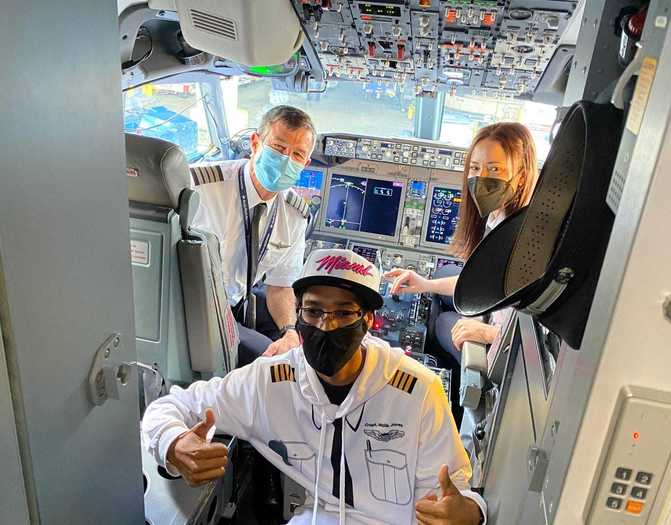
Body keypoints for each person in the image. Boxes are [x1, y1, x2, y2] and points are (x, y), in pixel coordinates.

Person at [142, 248, 487, 524]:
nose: (326, 324)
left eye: (343, 313)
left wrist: (470, 514)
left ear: (368, 320)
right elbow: (166, 408)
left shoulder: (418, 390)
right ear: (298, 314)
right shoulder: (271, 382)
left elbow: (457, 496)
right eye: (314, 311)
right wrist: (174, 443)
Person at [385, 123, 538, 364]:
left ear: (521, 176)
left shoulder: (529, 241)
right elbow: (483, 280)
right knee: (443, 274)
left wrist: (490, 334)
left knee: (441, 322)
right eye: (475, 168)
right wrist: (424, 284)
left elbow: (541, 332)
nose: (481, 178)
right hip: (495, 305)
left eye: (495, 169)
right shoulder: (499, 215)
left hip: (507, 344)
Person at [190, 106, 316, 366]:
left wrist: (290, 332)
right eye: (279, 148)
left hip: (233, 306)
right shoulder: (200, 187)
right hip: (191, 307)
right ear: (255, 143)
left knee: (300, 344)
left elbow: (281, 286)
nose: (286, 159)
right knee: (273, 365)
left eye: (297, 154)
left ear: (306, 163)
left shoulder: (294, 215)